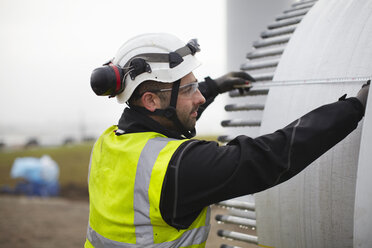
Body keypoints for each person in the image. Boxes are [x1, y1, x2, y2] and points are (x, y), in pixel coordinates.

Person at [85, 33, 369, 248]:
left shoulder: (107, 143)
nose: (199, 97)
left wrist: (214, 86)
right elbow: (268, 156)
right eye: (190, 89)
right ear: (150, 101)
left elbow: (171, 114)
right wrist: (351, 109)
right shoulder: (179, 167)